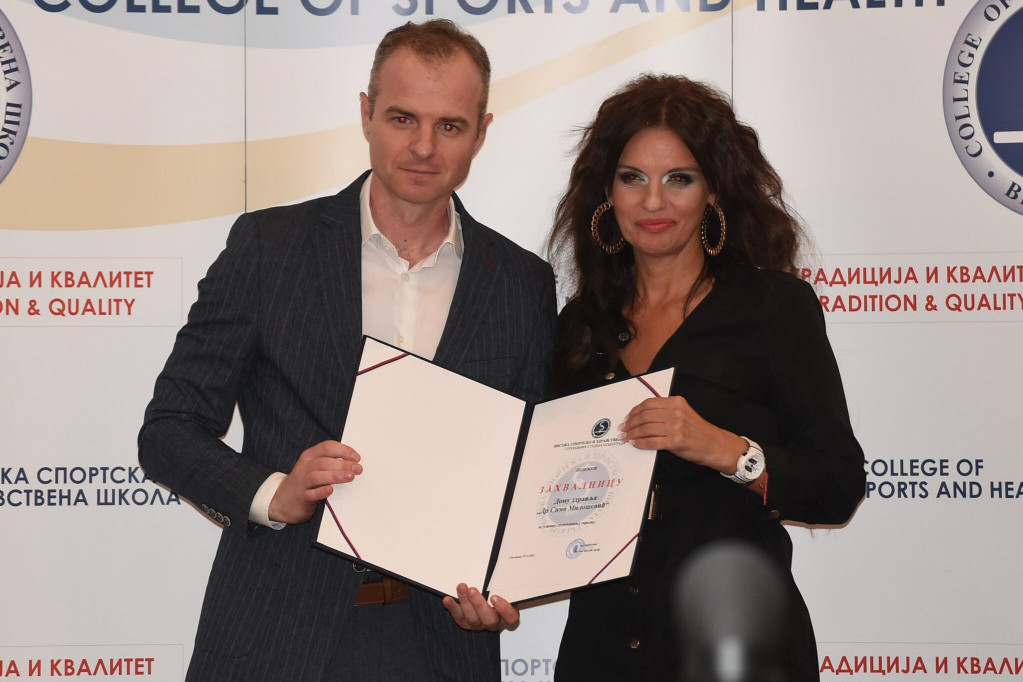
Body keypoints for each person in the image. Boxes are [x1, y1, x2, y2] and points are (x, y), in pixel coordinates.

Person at [138, 19, 556, 682]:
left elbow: (527, 470)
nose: (423, 146)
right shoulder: (269, 248)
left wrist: (509, 585)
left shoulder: (522, 284)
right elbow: (168, 430)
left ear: (481, 132)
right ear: (366, 114)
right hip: (273, 635)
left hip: (443, 644)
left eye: (449, 125)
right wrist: (273, 493)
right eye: (402, 118)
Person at [546, 74, 866, 681]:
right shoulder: (578, 326)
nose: (653, 202)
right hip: (602, 652)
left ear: (713, 189)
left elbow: (837, 484)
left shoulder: (774, 309)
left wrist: (726, 449)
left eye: (679, 179)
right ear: (606, 194)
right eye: (632, 178)